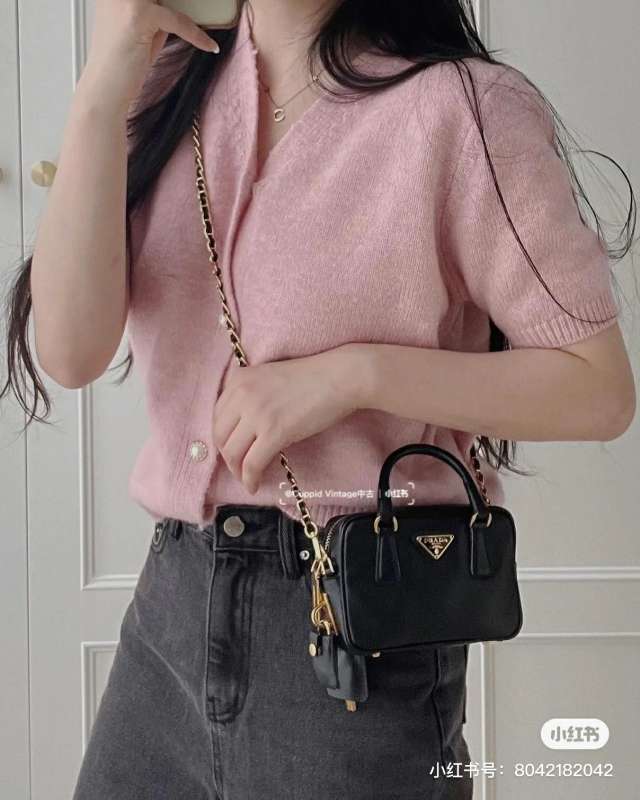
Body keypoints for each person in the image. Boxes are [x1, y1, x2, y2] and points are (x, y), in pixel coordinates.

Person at [2, 0, 636, 798]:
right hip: (170, 615)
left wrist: (351, 377)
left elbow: (596, 389)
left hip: (356, 632)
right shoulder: (162, 87)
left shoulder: (459, 109)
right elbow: (69, 351)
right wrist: (102, 87)